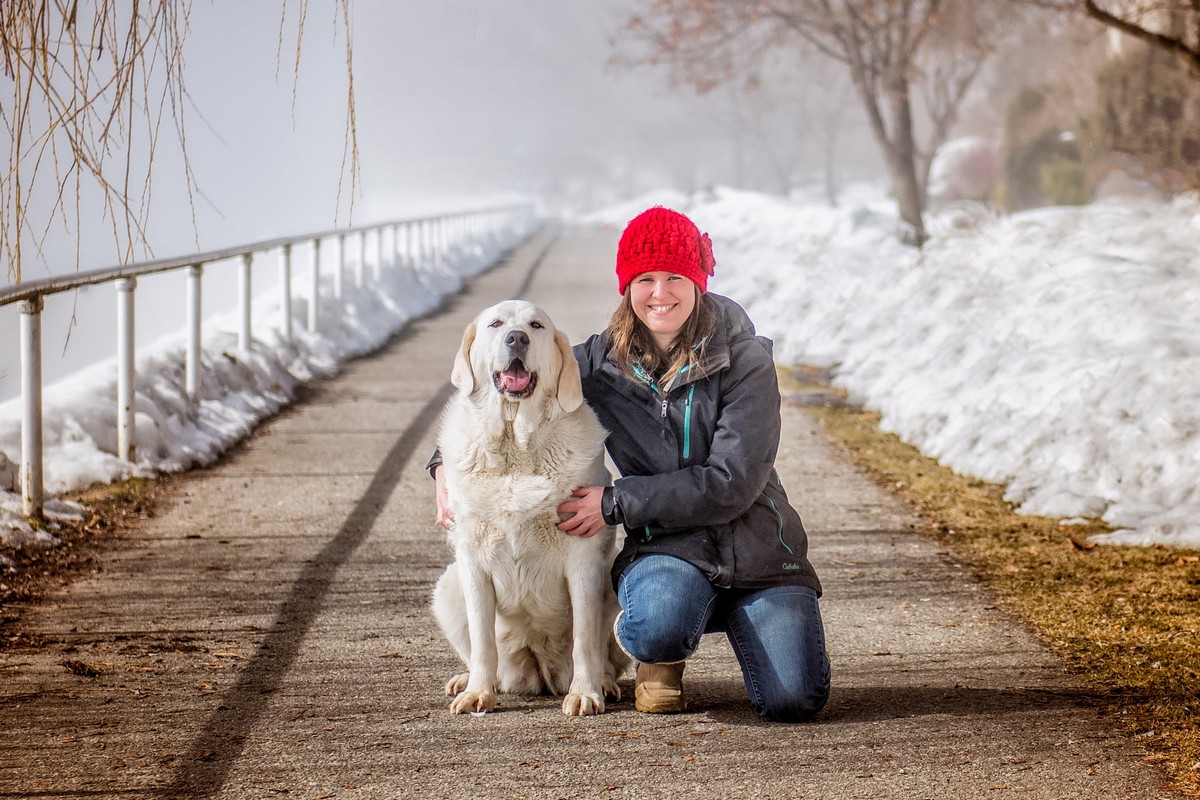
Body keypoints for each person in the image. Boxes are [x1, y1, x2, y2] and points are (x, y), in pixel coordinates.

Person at [433, 206, 830, 722]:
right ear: (628, 287)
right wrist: (443, 465)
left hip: (759, 558)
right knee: (655, 623)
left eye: (675, 278)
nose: (660, 293)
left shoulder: (746, 360)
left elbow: (732, 482)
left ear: (698, 282)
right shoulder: (599, 364)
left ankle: (738, 618)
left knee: (793, 700)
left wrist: (616, 503)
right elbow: (509, 379)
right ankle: (660, 655)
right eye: (645, 279)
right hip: (671, 548)